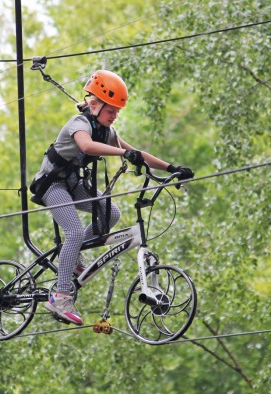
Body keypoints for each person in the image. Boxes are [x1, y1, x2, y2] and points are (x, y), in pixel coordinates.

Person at [30, 70, 194, 325]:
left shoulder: (106, 131)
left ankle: (71, 258)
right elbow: (86, 146)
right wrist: (122, 153)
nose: (115, 116)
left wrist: (171, 168)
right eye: (111, 111)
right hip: (52, 186)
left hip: (72, 184)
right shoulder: (80, 124)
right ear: (94, 105)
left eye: (117, 111)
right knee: (73, 231)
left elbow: (137, 153)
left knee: (111, 214)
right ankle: (60, 297)